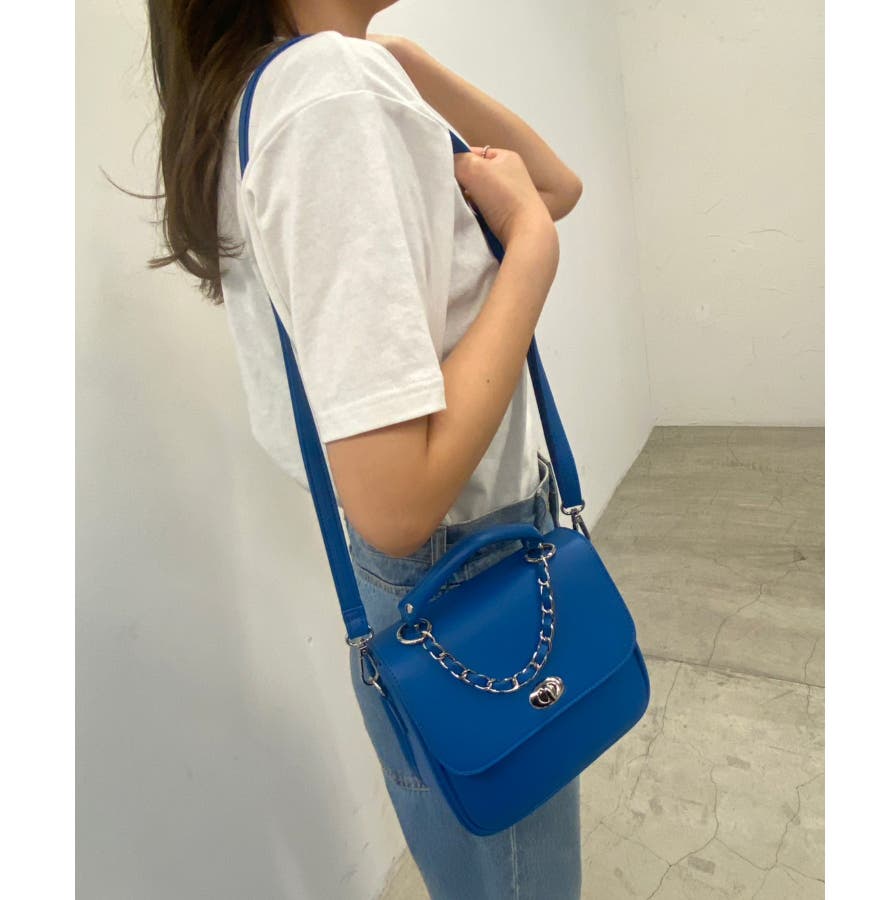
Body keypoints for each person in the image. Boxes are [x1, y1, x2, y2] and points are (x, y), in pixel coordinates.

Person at [145, 2, 584, 896]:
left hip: (442, 565)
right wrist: (533, 255)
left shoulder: (288, 89)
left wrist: (406, 61)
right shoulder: (327, 94)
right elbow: (397, 502)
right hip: (463, 560)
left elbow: (554, 186)